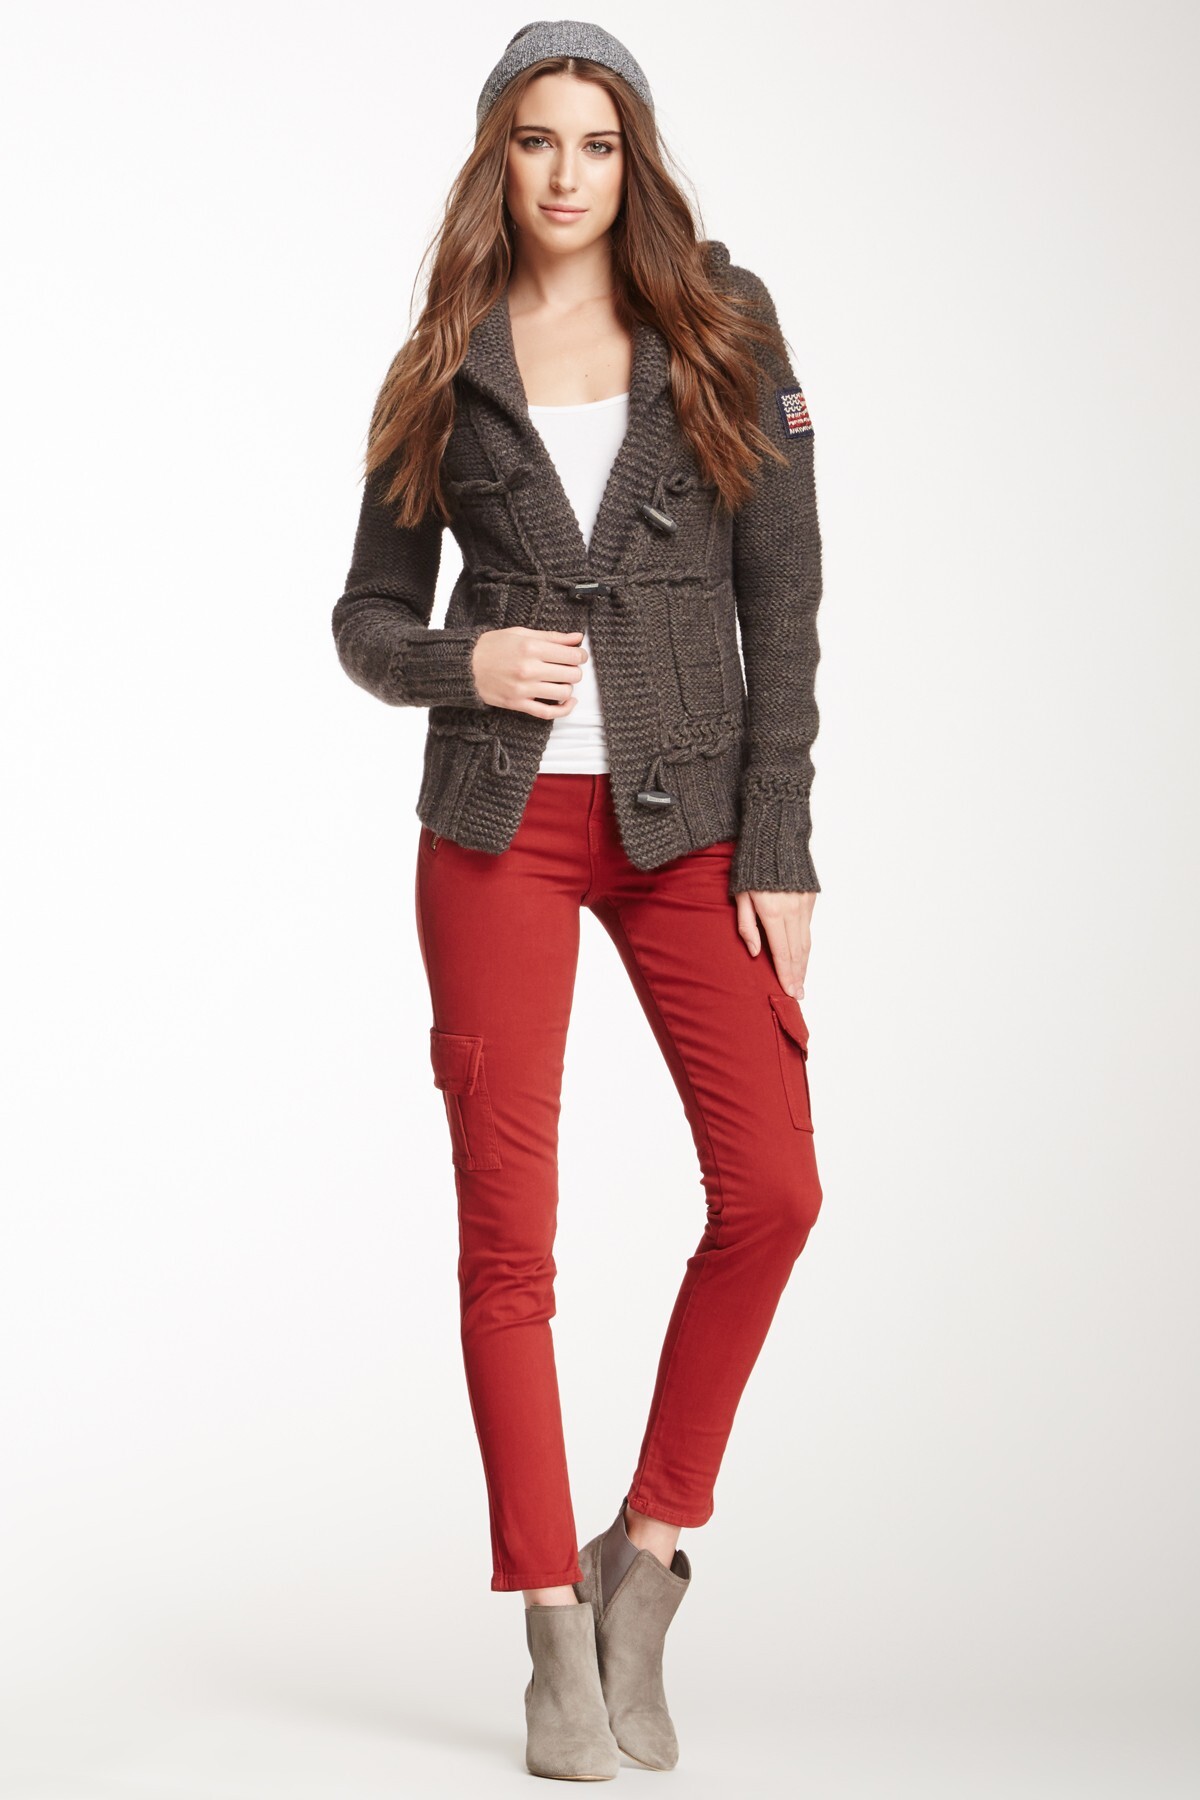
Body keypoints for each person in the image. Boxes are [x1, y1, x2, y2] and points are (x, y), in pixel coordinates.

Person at [330, 19, 826, 1782]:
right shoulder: (438, 364)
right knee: (510, 1240)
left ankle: (649, 1558)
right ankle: (550, 1622)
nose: (566, 173)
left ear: (634, 159)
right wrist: (467, 661)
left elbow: (786, 595)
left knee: (774, 1189)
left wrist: (780, 842)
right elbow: (365, 618)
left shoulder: (724, 322)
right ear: (498, 155)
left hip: (691, 825)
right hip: (497, 827)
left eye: (597, 143)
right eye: (536, 140)